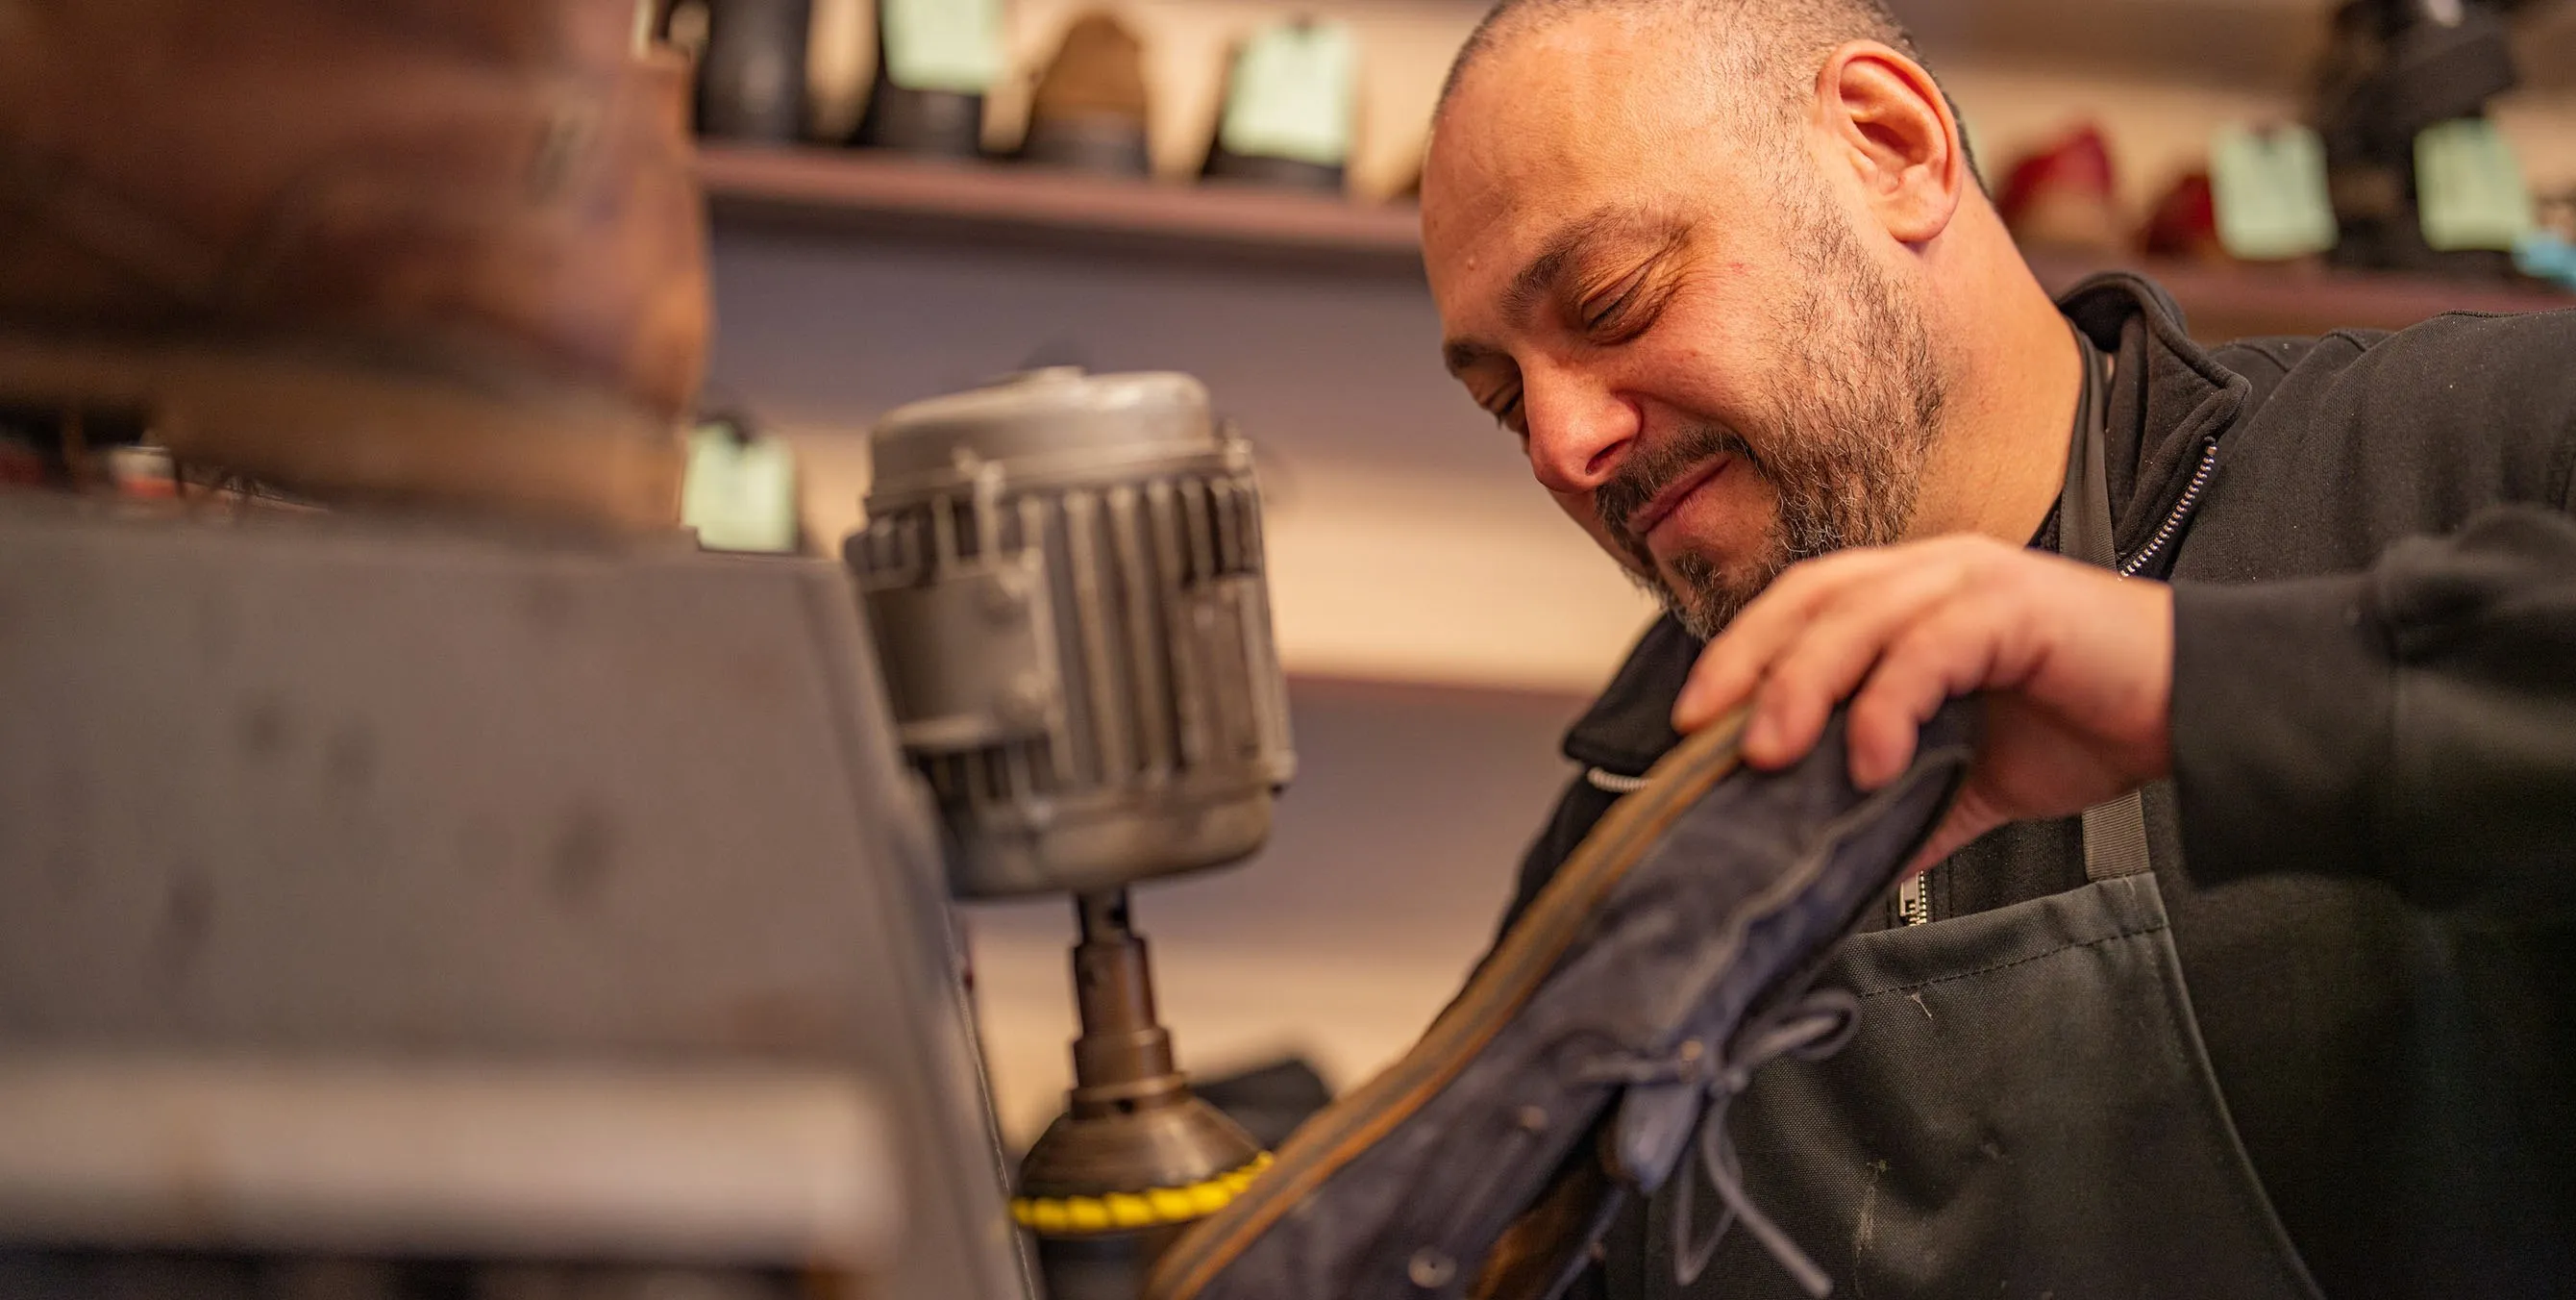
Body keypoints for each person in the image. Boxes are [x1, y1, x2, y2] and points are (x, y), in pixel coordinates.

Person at [1420, 1, 2576, 1296]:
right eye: (1503, 400)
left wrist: (2192, 679)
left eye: (1610, 298)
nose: (1561, 446)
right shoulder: (1643, 775)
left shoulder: (2471, 451)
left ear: (1891, 145)